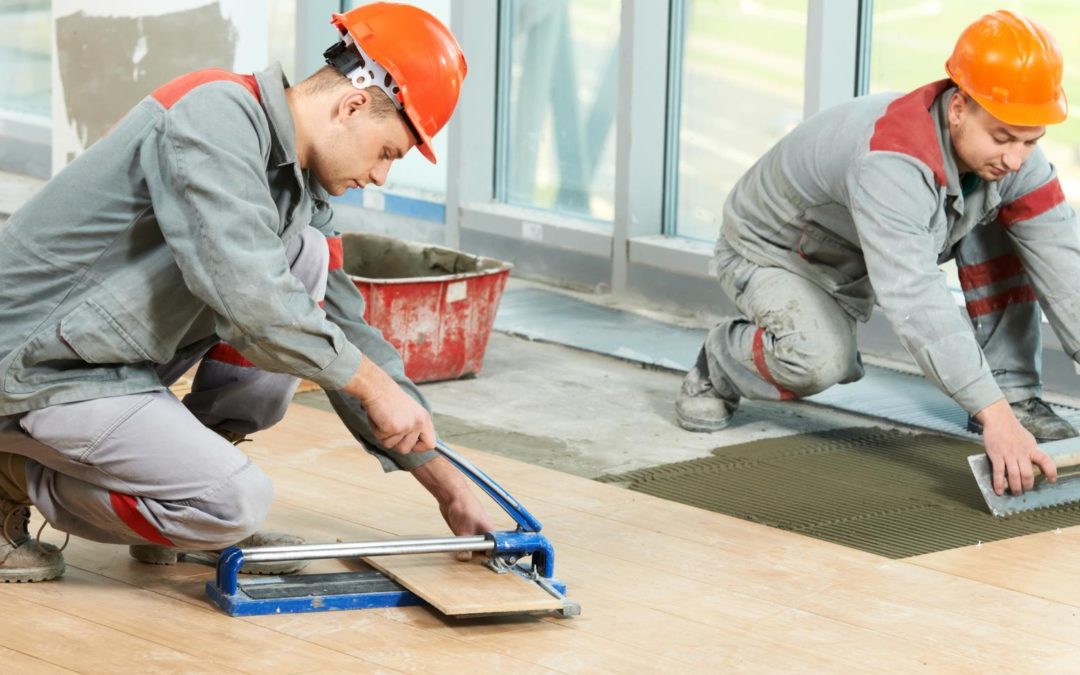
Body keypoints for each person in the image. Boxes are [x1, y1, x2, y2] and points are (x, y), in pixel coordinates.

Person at [0, 2, 493, 583]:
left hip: (105, 357)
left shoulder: (300, 190)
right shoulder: (213, 115)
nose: (382, 176)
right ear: (353, 104)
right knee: (230, 505)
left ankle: (179, 492)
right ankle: (11, 475)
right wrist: (373, 384)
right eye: (387, 151)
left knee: (303, 255)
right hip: (35, 366)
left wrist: (446, 484)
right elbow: (250, 297)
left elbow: (344, 325)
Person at [677, 10, 1079, 500]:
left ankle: (1014, 394)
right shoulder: (890, 162)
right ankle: (719, 362)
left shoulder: (1007, 152)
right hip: (776, 252)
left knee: (1011, 223)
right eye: (1002, 137)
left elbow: (1064, 261)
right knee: (820, 360)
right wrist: (989, 417)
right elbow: (917, 301)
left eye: (1030, 140)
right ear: (958, 108)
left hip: (860, 242)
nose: (1017, 157)